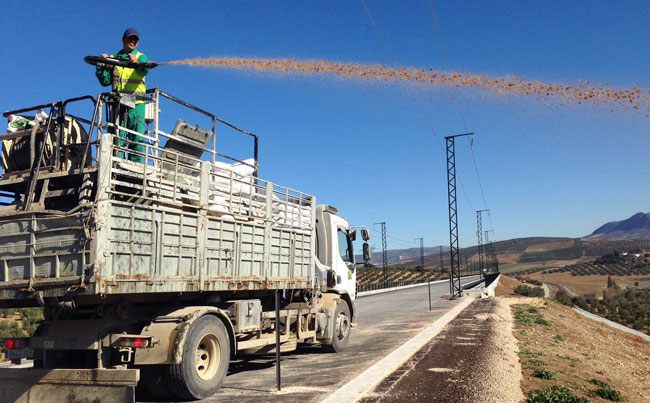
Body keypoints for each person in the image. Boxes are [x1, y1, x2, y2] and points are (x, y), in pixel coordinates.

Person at [95, 28, 149, 163]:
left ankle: (135, 166)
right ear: (123, 39)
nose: (133, 41)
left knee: (136, 137)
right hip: (119, 103)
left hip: (136, 103)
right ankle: (115, 162)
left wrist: (136, 62)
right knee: (117, 136)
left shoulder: (141, 56)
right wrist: (101, 65)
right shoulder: (114, 58)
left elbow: (144, 70)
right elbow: (105, 81)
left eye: (135, 40)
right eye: (130, 38)